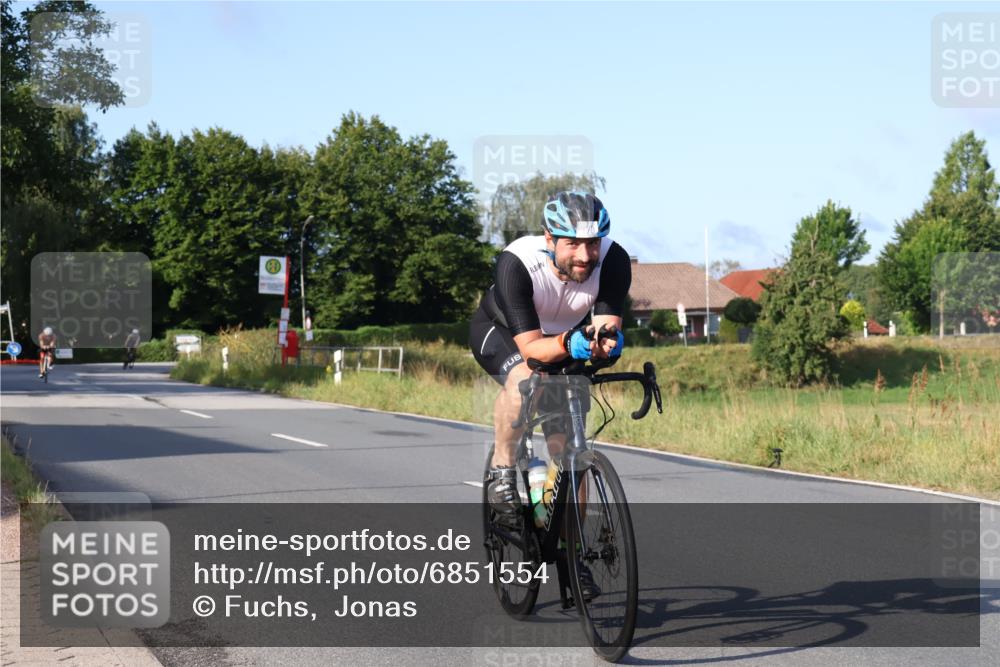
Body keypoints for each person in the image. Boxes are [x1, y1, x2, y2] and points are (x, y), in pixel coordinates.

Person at [469, 191, 632, 599]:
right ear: (549, 238)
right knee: (526, 379)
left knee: (571, 453)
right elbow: (532, 350)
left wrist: (606, 343)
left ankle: (570, 554)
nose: (585, 255)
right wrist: (575, 342)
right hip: (505, 333)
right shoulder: (517, 263)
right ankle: (504, 473)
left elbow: (605, 326)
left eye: (592, 243)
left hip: (563, 340)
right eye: (573, 244)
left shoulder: (613, 261)